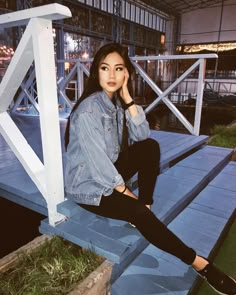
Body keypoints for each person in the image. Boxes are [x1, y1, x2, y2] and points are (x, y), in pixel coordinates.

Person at [64, 43, 236, 295]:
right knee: (138, 212)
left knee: (150, 147)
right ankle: (201, 265)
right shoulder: (90, 110)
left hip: (107, 172)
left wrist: (128, 99)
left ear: (126, 75)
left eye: (118, 69)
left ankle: (143, 208)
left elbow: (142, 135)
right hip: (88, 186)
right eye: (104, 68)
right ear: (96, 72)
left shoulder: (113, 103)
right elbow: (99, 168)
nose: (111, 75)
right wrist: (125, 192)